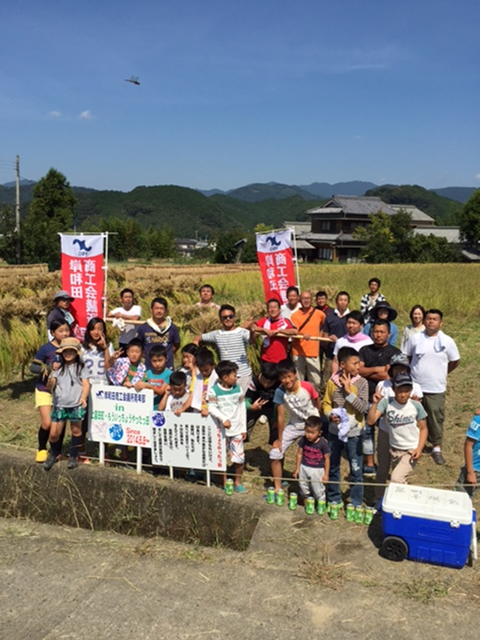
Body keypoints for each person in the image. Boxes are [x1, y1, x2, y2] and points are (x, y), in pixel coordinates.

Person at [403, 308, 460, 465]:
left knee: (435, 416)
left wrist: (443, 373)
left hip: (436, 387)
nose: (431, 321)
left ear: (441, 323)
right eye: (428, 318)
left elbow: (455, 360)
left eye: (435, 319)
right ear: (424, 321)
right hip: (415, 385)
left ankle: (436, 447)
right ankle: (413, 445)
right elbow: (406, 356)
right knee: (412, 415)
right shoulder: (415, 339)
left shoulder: (447, 341)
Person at [322, 347, 369, 510]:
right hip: (334, 432)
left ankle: (356, 501)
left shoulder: (362, 383)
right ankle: (334, 496)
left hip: (354, 433)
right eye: (354, 363)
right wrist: (330, 416)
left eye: (359, 363)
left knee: (356, 468)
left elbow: (363, 408)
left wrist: (349, 391)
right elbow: (326, 403)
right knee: (333, 464)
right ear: (342, 365)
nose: (358, 367)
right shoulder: (332, 382)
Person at [373, 353, 423, 502]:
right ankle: (378, 498)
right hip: (385, 431)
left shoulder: (415, 387)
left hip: (404, 436)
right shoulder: (383, 385)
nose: (399, 372)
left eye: (403, 369)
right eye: (396, 369)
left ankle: (400, 499)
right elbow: (375, 414)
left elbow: (418, 415)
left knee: (398, 472)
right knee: (382, 467)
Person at [367, 372, 428, 486]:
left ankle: (402, 500)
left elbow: (424, 429)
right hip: (394, 448)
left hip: (410, 450)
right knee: (390, 476)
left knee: (396, 478)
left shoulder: (416, 406)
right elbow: (371, 421)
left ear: (411, 390)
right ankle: (380, 499)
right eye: (400, 391)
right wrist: (374, 404)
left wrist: (419, 449)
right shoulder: (387, 403)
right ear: (393, 390)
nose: (403, 395)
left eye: (406, 391)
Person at [269, 359, 321, 492]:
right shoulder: (280, 392)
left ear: (295, 374)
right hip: (294, 424)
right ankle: (278, 487)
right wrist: (279, 439)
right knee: (275, 454)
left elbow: (317, 401)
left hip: (311, 425)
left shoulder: (307, 386)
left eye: (288, 376)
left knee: (314, 456)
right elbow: (281, 416)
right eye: (283, 377)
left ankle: (316, 488)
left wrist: (318, 419)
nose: (286, 380)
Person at [358, 319, 401, 474]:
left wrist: (370, 371)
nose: (378, 335)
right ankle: (369, 463)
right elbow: (358, 371)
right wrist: (378, 370)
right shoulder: (364, 350)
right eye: (376, 331)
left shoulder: (395, 353)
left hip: (387, 400)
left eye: (382, 332)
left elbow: (389, 376)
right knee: (367, 432)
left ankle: (388, 463)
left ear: (388, 334)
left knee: (387, 433)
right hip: (366, 397)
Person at [44, 338, 91, 471]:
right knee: (54, 434)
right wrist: (50, 383)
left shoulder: (81, 367)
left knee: (76, 431)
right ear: (61, 353)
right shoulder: (58, 368)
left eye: (72, 351)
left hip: (75, 404)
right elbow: (52, 382)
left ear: (77, 353)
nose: (68, 354)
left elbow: (86, 384)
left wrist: (83, 398)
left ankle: (73, 456)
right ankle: (54, 453)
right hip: (59, 404)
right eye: (66, 351)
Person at [30, 319, 70, 463]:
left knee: (59, 424)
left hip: (64, 392)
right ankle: (41, 448)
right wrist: (48, 368)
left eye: (67, 330)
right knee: (47, 423)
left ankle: (57, 451)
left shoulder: (72, 348)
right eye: (61, 331)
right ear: (53, 333)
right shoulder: (45, 349)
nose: (64, 333)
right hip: (45, 390)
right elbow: (33, 367)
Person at [208, 360, 248, 493]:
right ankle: (225, 483)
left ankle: (237, 482)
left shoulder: (238, 389)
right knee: (221, 457)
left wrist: (243, 428)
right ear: (225, 377)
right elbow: (211, 407)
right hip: (221, 431)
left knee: (239, 458)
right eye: (234, 375)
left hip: (236, 430)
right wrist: (223, 419)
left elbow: (242, 408)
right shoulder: (214, 391)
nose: (236, 378)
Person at [196, 304, 252, 393]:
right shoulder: (217, 334)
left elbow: (253, 341)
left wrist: (251, 330)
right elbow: (199, 337)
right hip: (226, 376)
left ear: (234, 317)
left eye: (230, 316)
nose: (228, 319)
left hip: (242, 375)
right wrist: (195, 344)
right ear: (220, 319)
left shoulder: (242, 332)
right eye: (224, 317)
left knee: (241, 402)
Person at [291, 290, 325, 390]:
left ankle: (315, 400)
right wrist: (302, 334)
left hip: (313, 351)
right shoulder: (294, 316)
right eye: (304, 298)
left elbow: (324, 327)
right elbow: (293, 331)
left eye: (308, 298)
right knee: (299, 379)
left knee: (315, 380)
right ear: (299, 300)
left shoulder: (319, 314)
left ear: (312, 300)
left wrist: (320, 337)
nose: (306, 301)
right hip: (298, 352)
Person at [293, 415, 330, 504]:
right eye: (307, 432)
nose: (309, 435)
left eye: (312, 433)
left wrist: (326, 474)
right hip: (304, 467)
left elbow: (327, 459)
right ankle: (306, 505)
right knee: (304, 487)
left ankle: (320, 506)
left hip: (317, 470)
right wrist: (297, 469)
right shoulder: (303, 440)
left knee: (318, 490)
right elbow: (299, 454)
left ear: (319, 433)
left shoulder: (323, 443)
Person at [136, 297, 180, 370]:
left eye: (161, 308)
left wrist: (167, 354)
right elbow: (138, 345)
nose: (159, 311)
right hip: (150, 367)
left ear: (166, 311)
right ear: (151, 310)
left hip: (167, 367)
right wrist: (147, 355)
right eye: (156, 308)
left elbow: (176, 345)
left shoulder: (172, 328)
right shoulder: (143, 328)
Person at [245, 361, 280, 444]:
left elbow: (278, 405)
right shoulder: (254, 382)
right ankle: (243, 442)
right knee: (245, 426)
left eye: (270, 383)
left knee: (276, 430)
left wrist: (275, 419)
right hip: (255, 406)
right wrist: (251, 407)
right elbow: (246, 400)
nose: (266, 385)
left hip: (272, 408)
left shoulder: (279, 384)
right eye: (264, 381)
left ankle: (275, 446)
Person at [321, 291, 350, 389]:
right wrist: (328, 338)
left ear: (348, 302)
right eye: (340, 300)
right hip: (331, 354)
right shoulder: (329, 318)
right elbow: (324, 337)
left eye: (345, 300)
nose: (342, 302)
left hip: (348, 355)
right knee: (328, 380)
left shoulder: (351, 318)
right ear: (336, 302)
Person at [253, 298, 296, 364]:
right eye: (270, 308)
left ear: (279, 310)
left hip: (282, 359)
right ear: (267, 310)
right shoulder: (265, 321)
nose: (272, 310)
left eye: (275, 307)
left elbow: (294, 331)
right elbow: (253, 327)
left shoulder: (285, 321)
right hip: (267, 359)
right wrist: (264, 330)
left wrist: (280, 331)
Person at [82, 317, 119, 385]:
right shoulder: (82, 347)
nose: (96, 332)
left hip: (103, 383)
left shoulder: (109, 346)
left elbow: (108, 367)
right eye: (93, 329)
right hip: (87, 384)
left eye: (99, 329)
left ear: (103, 331)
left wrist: (105, 349)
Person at [135, 344, 172, 409]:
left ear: (166, 359)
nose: (157, 364)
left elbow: (161, 392)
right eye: (154, 361)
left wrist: (148, 386)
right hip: (147, 407)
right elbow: (142, 384)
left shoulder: (169, 374)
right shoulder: (148, 373)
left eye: (160, 360)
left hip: (161, 408)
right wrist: (137, 385)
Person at [107, 288, 142, 354]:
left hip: (134, 341)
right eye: (126, 297)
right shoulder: (119, 309)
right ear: (122, 299)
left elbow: (136, 318)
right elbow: (107, 315)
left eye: (130, 297)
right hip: (122, 341)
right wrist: (106, 303)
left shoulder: (137, 308)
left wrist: (122, 316)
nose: (128, 299)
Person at [455, 409, 480, 497]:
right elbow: (468, 445)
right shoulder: (478, 421)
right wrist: (470, 472)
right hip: (476, 470)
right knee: (459, 500)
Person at [190, 347, 218, 415]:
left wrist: (209, 410)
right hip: (199, 411)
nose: (204, 373)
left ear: (213, 365)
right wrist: (182, 409)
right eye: (201, 370)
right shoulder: (196, 378)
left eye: (206, 370)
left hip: (213, 412)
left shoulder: (217, 378)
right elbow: (191, 396)